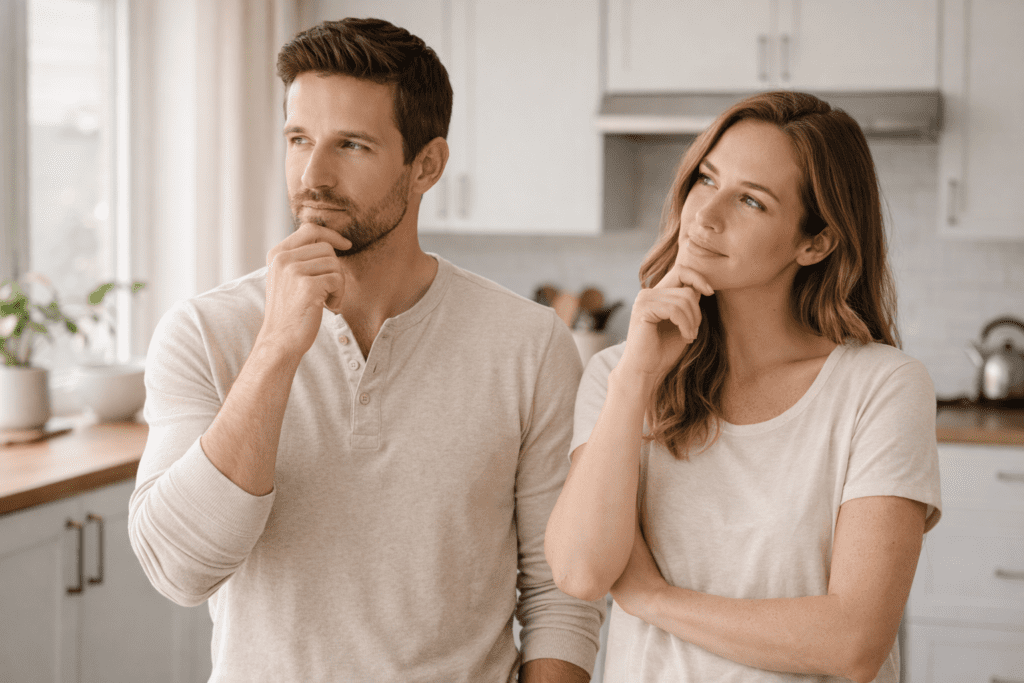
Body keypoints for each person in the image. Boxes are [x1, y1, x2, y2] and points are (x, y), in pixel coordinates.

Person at [129, 18, 602, 682]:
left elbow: (559, 592)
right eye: (299, 139)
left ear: (427, 165)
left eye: (350, 144)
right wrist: (275, 350)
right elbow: (179, 569)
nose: (313, 175)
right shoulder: (206, 332)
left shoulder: (529, 344)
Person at [544, 91, 942, 683]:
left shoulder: (881, 388)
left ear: (816, 243)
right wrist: (638, 377)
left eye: (751, 201)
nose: (704, 215)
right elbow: (580, 572)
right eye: (707, 179)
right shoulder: (619, 375)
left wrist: (651, 597)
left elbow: (853, 644)